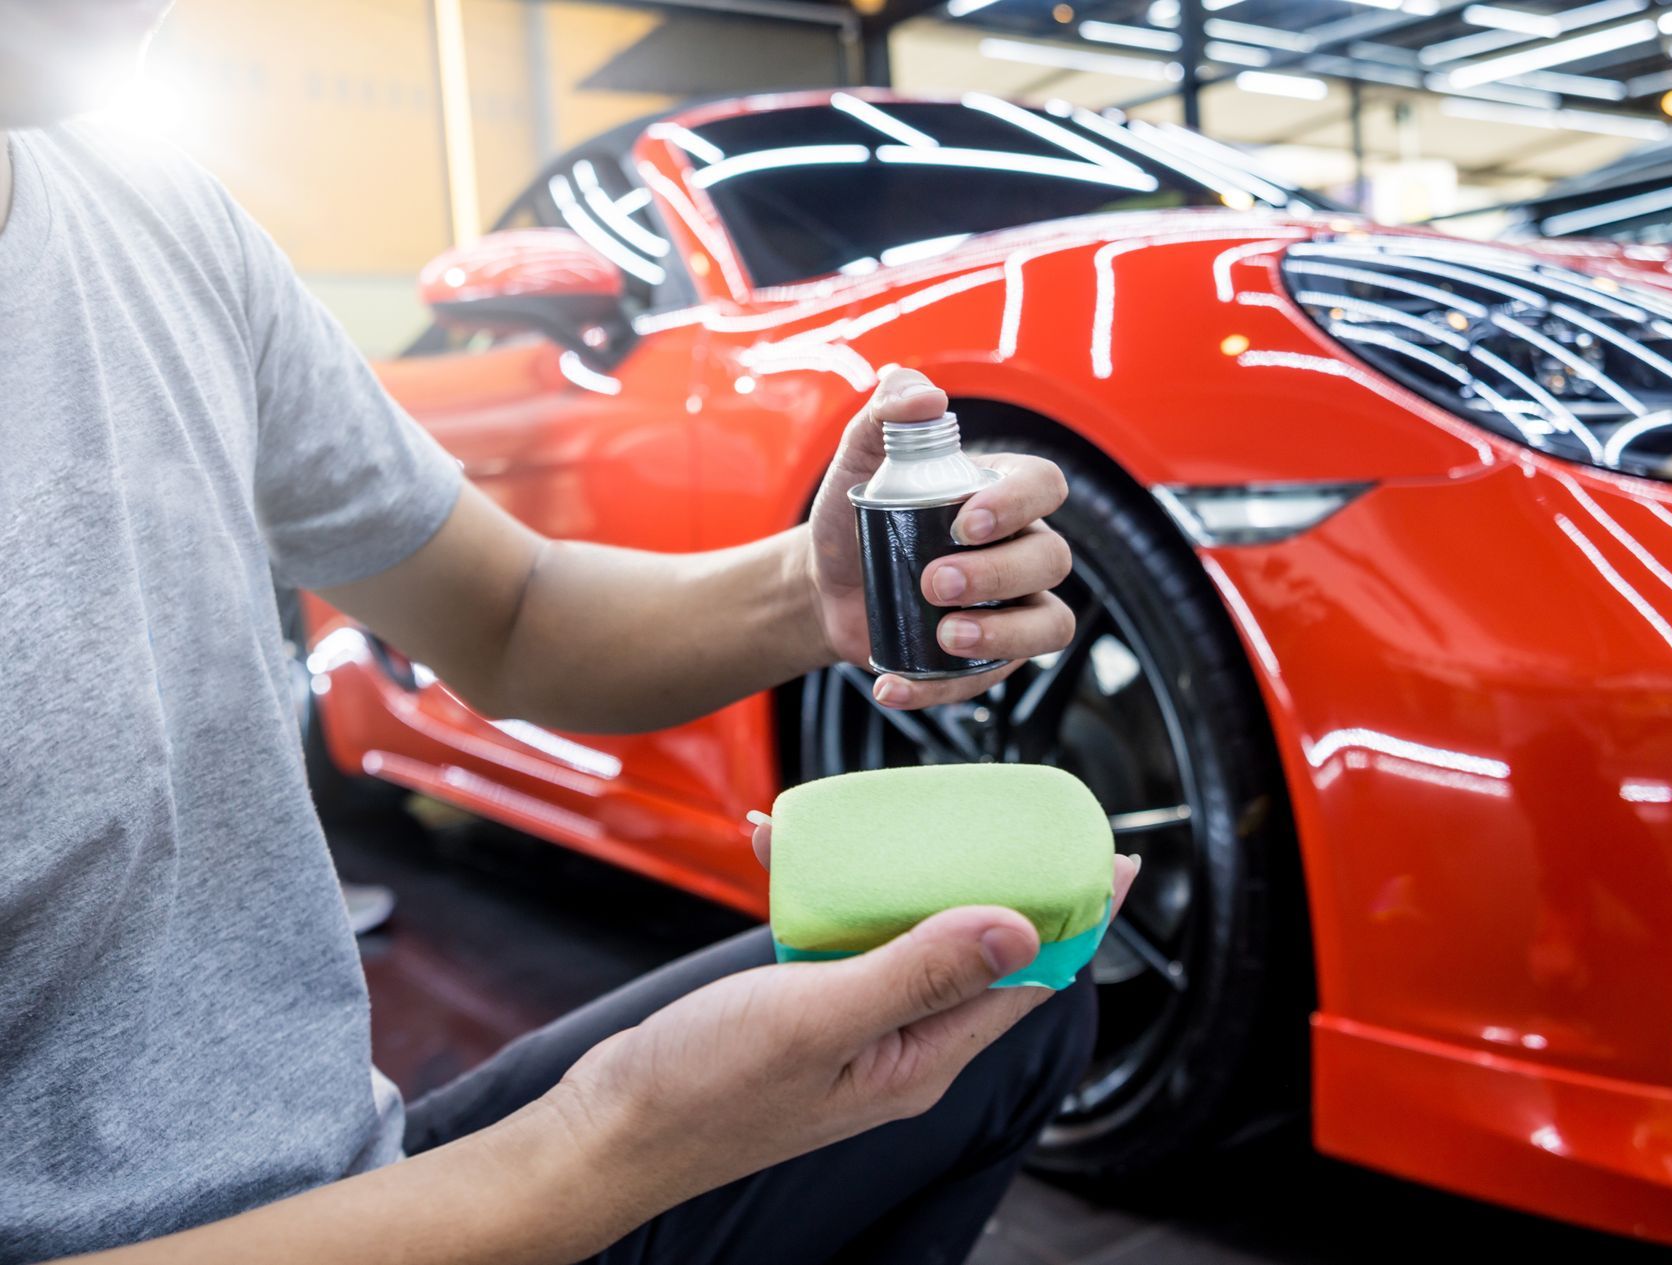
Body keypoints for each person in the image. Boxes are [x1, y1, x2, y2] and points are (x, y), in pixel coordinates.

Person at [0, 3, 1139, 1262]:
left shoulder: (157, 217)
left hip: (361, 1171)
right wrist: (599, 1149)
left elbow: (512, 612)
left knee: (1016, 989)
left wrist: (810, 592)